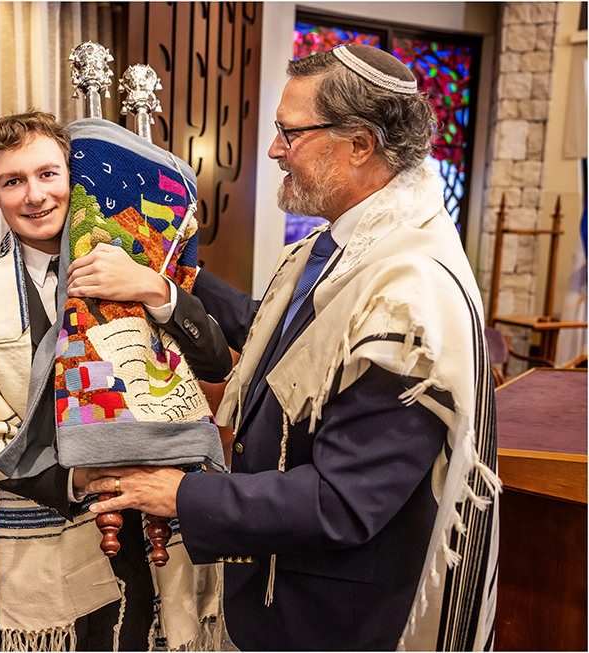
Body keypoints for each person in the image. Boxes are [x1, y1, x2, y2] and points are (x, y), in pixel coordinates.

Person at [82, 44, 500, 650]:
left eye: (289, 132)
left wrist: (181, 493)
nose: (275, 149)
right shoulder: (347, 244)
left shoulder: (410, 291)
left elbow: (345, 500)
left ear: (359, 143)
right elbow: (282, 339)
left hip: (330, 611)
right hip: (278, 581)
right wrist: (162, 289)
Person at [0, 110, 231, 651]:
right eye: (13, 181)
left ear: (75, 175)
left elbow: (216, 364)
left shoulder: (149, 257)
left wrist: (153, 290)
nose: (35, 195)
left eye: (49, 174)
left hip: (163, 509)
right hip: (54, 519)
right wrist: (78, 482)